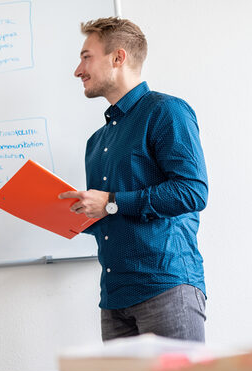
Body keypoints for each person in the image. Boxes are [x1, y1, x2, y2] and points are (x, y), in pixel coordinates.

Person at [59, 17, 208, 342]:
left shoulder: (166, 111)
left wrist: (111, 201)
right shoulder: (96, 143)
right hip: (113, 300)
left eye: (86, 57)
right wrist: (80, 215)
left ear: (118, 58)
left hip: (165, 288)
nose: (78, 70)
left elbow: (192, 191)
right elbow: (114, 215)